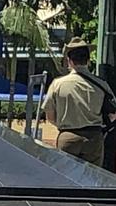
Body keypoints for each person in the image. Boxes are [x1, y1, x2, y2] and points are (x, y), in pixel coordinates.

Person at [42, 37, 115, 166]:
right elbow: (113, 114)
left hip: (67, 137)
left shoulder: (57, 84)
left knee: (66, 180)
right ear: (88, 60)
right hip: (94, 139)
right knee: (92, 179)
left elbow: (50, 116)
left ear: (69, 61)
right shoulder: (102, 85)